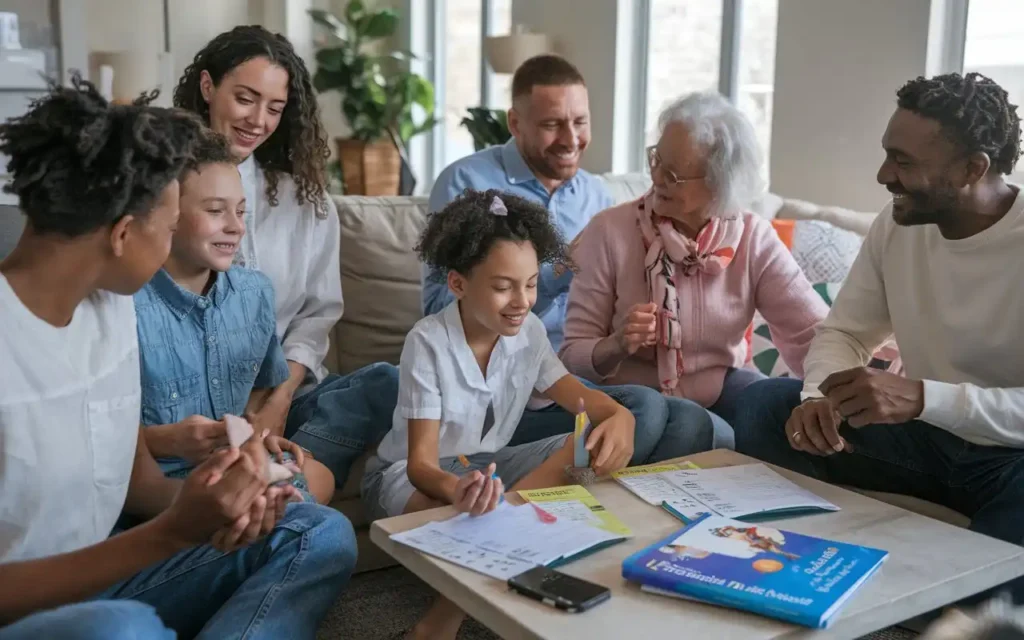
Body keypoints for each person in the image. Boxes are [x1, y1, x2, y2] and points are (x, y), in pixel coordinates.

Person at [0, 78, 355, 640]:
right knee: (126, 628)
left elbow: (140, 487)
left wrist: (225, 507)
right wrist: (170, 535)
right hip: (31, 607)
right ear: (121, 234)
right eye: (168, 228)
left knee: (316, 531)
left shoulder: (110, 312)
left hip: (113, 573)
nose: (170, 247)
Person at [733, 72, 1024, 603]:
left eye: (904, 162)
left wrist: (922, 397)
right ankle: (806, 569)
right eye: (888, 154)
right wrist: (818, 395)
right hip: (928, 438)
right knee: (762, 405)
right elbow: (845, 331)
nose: (883, 174)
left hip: (1011, 458)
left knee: (983, 602)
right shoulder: (897, 226)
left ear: (973, 168)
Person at [363, 189, 639, 639]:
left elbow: (585, 402)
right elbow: (420, 465)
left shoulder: (527, 331)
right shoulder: (427, 341)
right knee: (462, 514)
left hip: (485, 471)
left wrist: (620, 417)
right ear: (457, 284)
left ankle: (506, 530)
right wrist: (460, 489)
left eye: (530, 284)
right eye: (502, 286)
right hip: (411, 476)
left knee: (586, 448)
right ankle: (439, 624)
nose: (523, 301)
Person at [425, 54, 711, 457]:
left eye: (580, 122)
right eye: (551, 124)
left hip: (584, 371)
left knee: (690, 420)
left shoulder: (597, 196)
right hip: (504, 381)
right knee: (641, 410)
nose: (571, 138)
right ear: (515, 123)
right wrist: (556, 272)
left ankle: (623, 510)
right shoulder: (467, 183)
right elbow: (440, 306)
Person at [173, 26, 400, 490]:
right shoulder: (162, 191)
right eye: (245, 98)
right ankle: (274, 482)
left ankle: (279, 480)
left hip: (288, 397)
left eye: (274, 108)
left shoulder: (306, 202)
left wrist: (278, 399)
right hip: (198, 406)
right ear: (207, 86)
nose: (258, 120)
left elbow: (317, 317)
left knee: (386, 383)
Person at [560, 92, 828, 431]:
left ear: (719, 185)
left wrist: (832, 397)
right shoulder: (609, 230)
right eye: (655, 160)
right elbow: (572, 355)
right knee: (684, 423)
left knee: (780, 401)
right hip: (634, 404)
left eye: (673, 175)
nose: (656, 178)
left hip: (722, 392)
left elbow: (811, 334)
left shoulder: (752, 237)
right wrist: (617, 345)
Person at [134, 128, 335, 505]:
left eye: (241, 211)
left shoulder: (254, 292)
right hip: (165, 485)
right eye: (215, 211)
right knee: (324, 531)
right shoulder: (128, 303)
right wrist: (167, 440)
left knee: (318, 482)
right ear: (166, 213)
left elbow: (255, 398)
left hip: (240, 468)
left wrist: (256, 439)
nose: (235, 226)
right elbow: (101, 443)